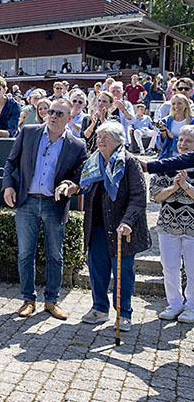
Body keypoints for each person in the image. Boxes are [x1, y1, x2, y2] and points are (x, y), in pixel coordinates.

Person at [2, 99, 88, 319]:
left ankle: (51, 300)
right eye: (51, 112)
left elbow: (80, 176)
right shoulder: (28, 132)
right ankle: (28, 299)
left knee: (55, 255)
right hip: (27, 202)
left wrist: (71, 185)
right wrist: (8, 186)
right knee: (25, 254)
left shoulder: (77, 145)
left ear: (69, 117)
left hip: (54, 204)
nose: (53, 116)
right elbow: (11, 162)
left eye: (60, 113)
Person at [78, 121, 150, 331]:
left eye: (105, 138)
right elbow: (83, 186)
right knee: (97, 269)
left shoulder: (129, 162)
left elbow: (138, 197)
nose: (100, 141)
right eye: (99, 137)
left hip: (122, 229)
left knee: (123, 273)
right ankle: (100, 308)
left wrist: (128, 221)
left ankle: (124, 313)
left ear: (118, 141)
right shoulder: (94, 162)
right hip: (97, 227)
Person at [149, 125, 194, 323]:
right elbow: (155, 195)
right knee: (169, 266)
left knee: (192, 269)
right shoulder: (167, 165)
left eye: (188, 141)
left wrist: (185, 185)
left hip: (192, 227)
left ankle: (191, 306)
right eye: (180, 140)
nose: (183, 144)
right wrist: (173, 187)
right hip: (168, 224)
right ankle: (174, 303)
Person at [156, 94, 194, 160]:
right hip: (169, 158)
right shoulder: (166, 121)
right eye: (173, 104)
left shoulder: (192, 122)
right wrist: (163, 132)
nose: (176, 106)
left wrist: (172, 137)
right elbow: (160, 146)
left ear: (186, 105)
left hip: (189, 159)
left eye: (179, 103)